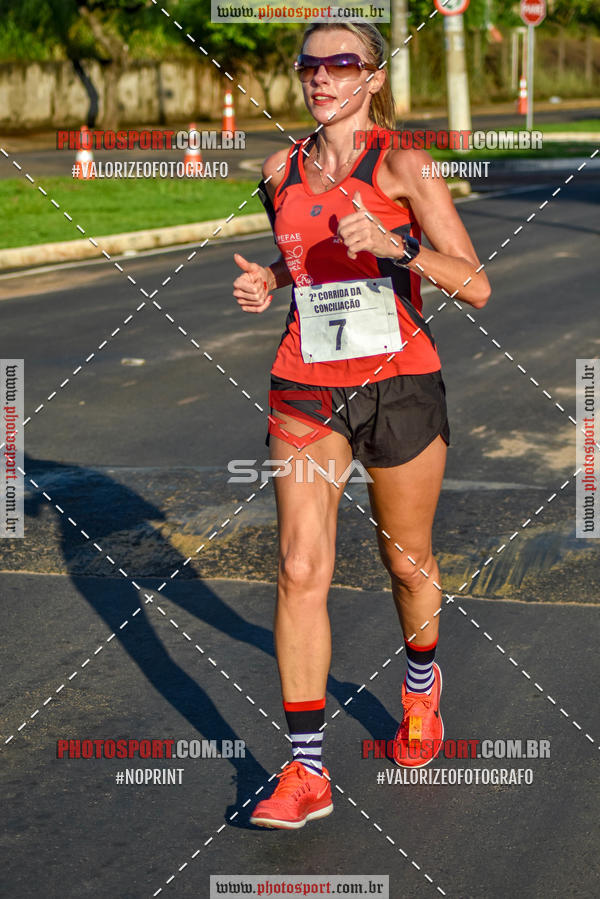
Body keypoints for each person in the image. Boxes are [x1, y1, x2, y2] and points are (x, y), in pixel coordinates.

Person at [232, 21, 490, 830]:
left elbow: (476, 284)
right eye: (309, 64)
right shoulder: (280, 170)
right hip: (305, 388)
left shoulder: (405, 164)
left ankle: (420, 685)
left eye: (341, 63)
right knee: (299, 566)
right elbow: (309, 257)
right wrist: (271, 279)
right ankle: (306, 770)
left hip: (400, 387)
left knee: (406, 562)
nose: (320, 76)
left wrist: (397, 246)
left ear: (373, 78)